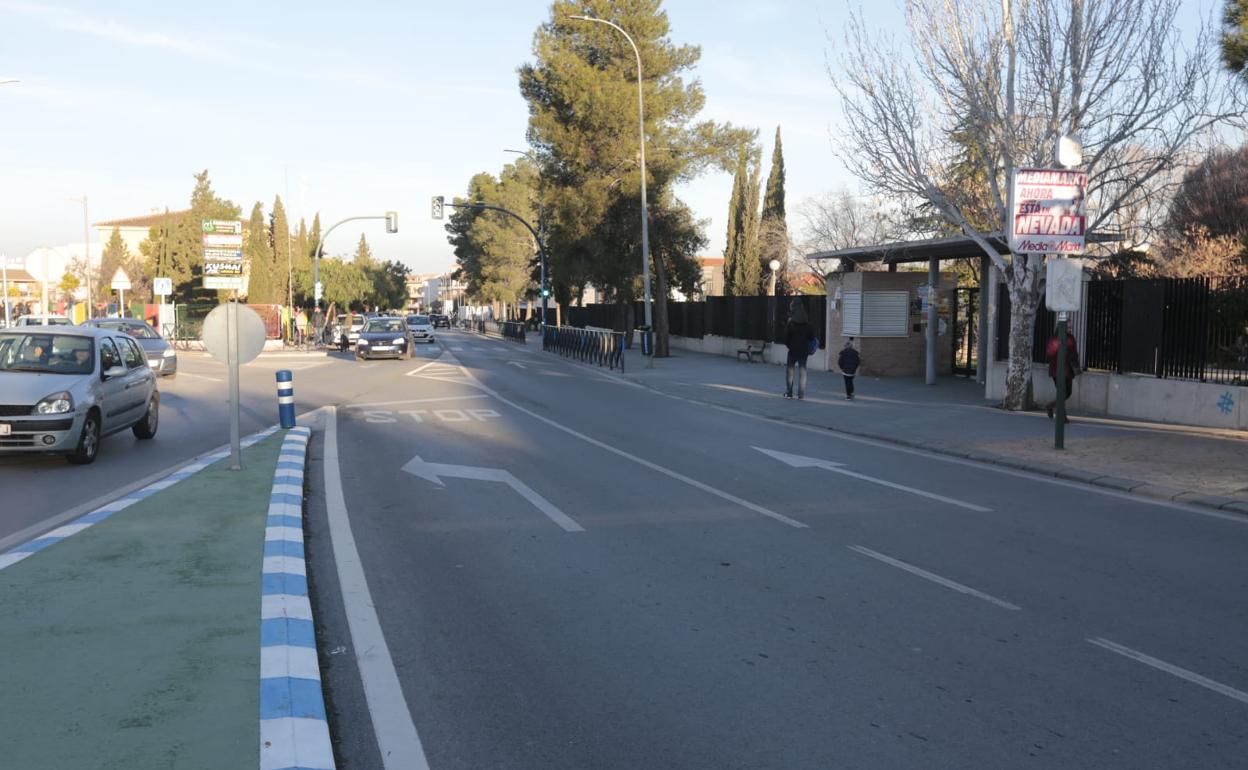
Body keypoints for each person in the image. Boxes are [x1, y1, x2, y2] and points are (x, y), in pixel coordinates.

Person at [782, 301, 817, 399]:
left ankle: (789, 393)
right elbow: (811, 337)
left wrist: (790, 345)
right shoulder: (807, 323)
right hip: (803, 351)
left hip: (793, 350)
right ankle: (801, 394)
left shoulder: (791, 323)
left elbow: (786, 338)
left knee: (790, 371)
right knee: (802, 372)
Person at [1045, 331, 1080, 422]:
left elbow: (1074, 353)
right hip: (1057, 371)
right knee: (1062, 393)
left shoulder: (1070, 338)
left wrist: (1075, 364)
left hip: (1067, 370)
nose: (1070, 328)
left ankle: (1051, 406)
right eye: (1068, 326)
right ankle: (1062, 416)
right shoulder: (1055, 339)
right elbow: (1049, 354)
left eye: (1070, 326)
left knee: (1067, 393)